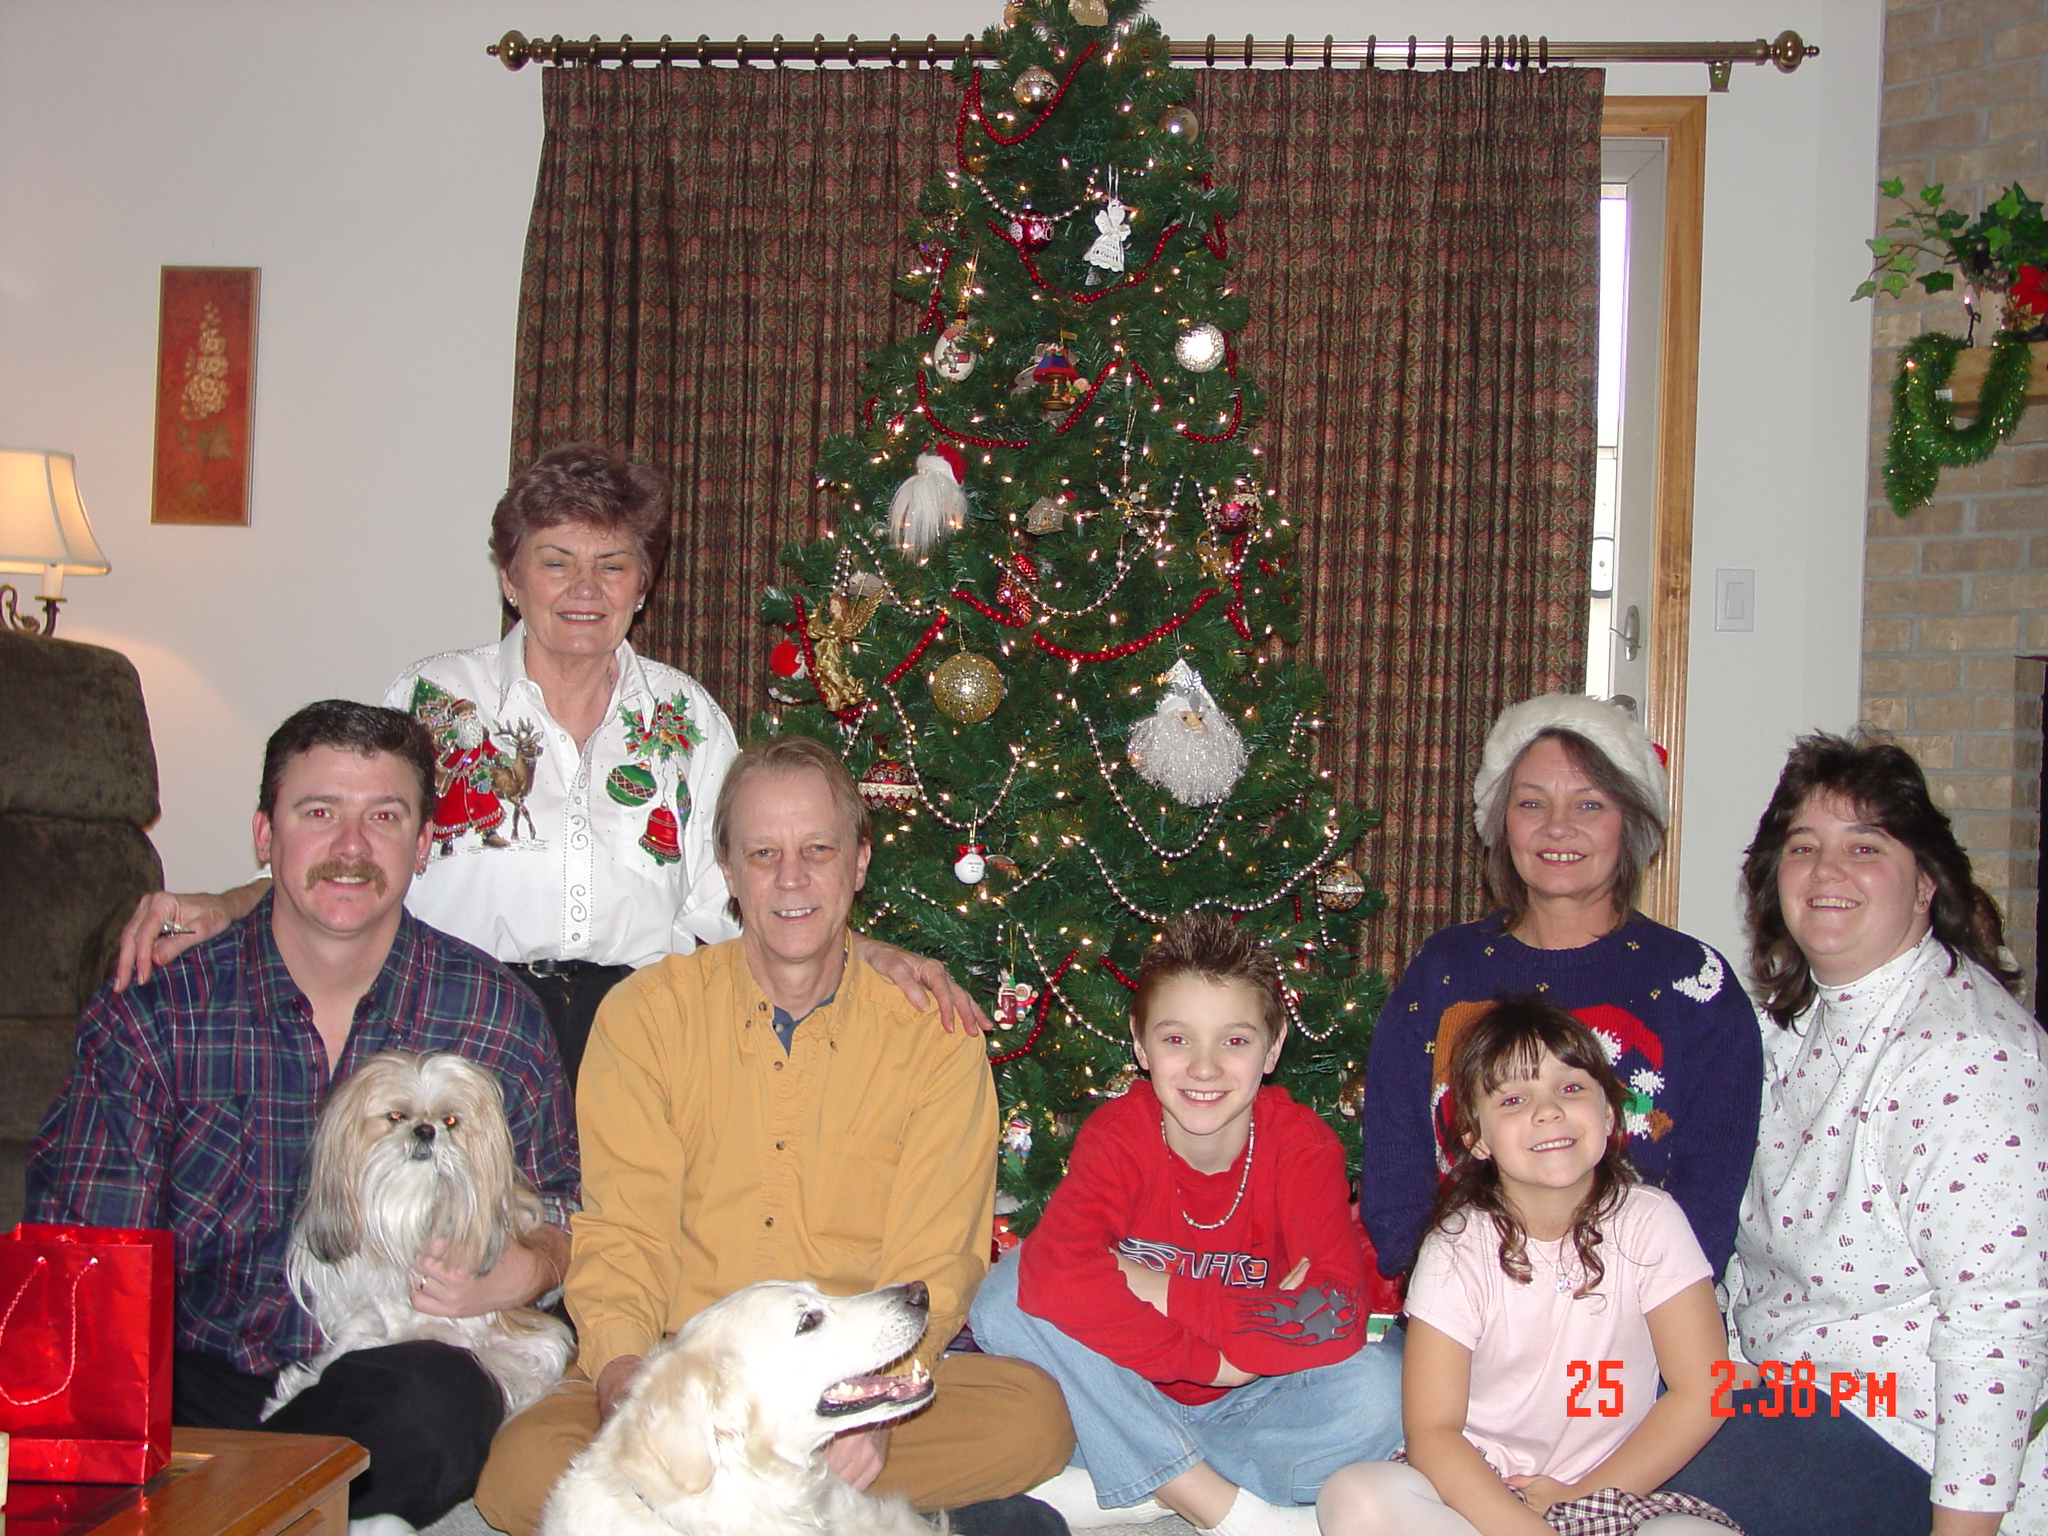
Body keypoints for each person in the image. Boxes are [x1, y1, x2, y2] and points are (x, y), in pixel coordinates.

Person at [112, 443, 985, 1082]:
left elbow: (745, 894)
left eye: (613, 566)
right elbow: (350, 856)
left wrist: (867, 953)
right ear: (510, 578)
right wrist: (225, 906)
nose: (585, 590)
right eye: (556, 563)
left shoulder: (685, 719)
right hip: (455, 1026)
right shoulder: (433, 703)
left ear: (644, 584)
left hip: (642, 1038)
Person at [471, 734, 1073, 1536]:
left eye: (818, 850)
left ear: (859, 861)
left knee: (1033, 1420)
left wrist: (879, 1402)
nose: (792, 879)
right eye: (763, 854)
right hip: (687, 1379)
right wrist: (623, 1381)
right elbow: (623, 1234)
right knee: (519, 1475)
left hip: (849, 1375)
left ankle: (725, 1508)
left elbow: (937, 1256)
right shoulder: (647, 1017)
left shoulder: (932, 1034)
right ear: (727, 869)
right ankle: (810, 1508)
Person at [25, 701, 577, 1531]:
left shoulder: (492, 1013)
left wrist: (527, 1269)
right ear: (264, 835)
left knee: (442, 1404)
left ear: (424, 843)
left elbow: (570, 1206)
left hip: (387, 1380)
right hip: (199, 1372)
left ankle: (229, 1511)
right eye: (318, 813)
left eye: (383, 817)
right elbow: (84, 1254)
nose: (351, 847)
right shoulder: (159, 1013)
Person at [1661, 733, 2048, 1535]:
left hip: (1902, 1429)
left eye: (1864, 847)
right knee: (1564, 1409)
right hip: (1771, 1387)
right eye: (1804, 847)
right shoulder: (1779, 1030)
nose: (1827, 871)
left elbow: (1999, 1319)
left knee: (1609, 1482)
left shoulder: (1966, 1054)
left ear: (1926, 883)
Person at [970, 912, 1405, 1536]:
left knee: (1383, 1390)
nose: (1205, 1069)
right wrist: (1218, 1358)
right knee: (1004, 1295)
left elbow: (1333, 1314)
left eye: (1235, 1042)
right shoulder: (1118, 1137)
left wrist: (1147, 1285)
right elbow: (1050, 1278)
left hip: (1253, 1397)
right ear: (1140, 1044)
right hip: (1126, 1379)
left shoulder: (1302, 1147)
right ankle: (1220, 1502)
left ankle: (1147, 1482)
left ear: (1273, 1047)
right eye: (1177, 1039)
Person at [1360, 694, 1762, 1282]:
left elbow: (1711, 1198)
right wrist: (1447, 1291)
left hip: (1638, 1310)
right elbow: (1396, 1168)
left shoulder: (1695, 983)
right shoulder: (1444, 968)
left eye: (1589, 803)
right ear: (1501, 821)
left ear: (1630, 822)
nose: (1557, 827)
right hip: (1459, 1302)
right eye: (1531, 803)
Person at [1321, 998, 1737, 1536]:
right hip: (1476, 1495)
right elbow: (1434, 1432)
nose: (1548, 1111)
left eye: (1571, 1088)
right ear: (1475, 1139)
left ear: (1610, 1114)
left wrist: (1583, 1495)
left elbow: (1703, 1394)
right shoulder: (1456, 1246)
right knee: (1355, 1495)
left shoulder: (1651, 1222)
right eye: (1514, 1099)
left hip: (1603, 1493)